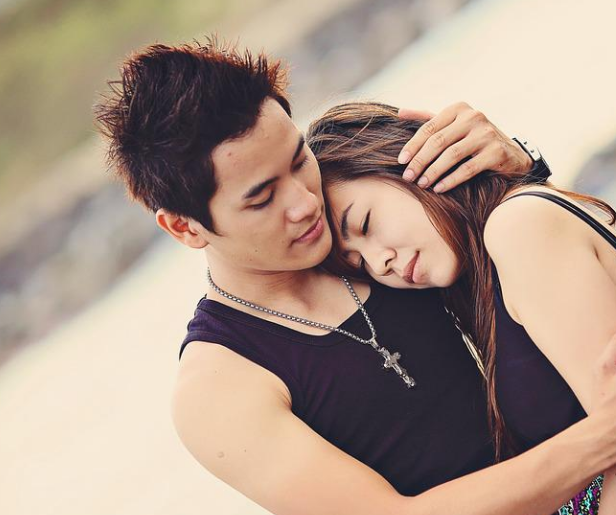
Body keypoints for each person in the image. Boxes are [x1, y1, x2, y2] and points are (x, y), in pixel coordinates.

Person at [94, 40, 616, 515]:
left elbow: (540, 268)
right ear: (184, 227)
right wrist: (601, 437)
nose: (304, 202)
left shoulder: (361, 224)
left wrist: (517, 168)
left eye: (298, 159)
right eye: (262, 198)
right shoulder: (220, 387)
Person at [307, 101, 616, 514]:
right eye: (358, 262)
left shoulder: (519, 228)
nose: (379, 263)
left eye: (365, 224)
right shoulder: (486, 274)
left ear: (412, 162)